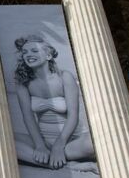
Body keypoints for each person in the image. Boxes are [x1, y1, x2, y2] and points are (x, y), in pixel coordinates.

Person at [12, 35, 96, 170]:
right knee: (0, 141)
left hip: (70, 140)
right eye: (25, 52)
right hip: (41, 139)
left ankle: (51, 159)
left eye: (34, 51)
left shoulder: (65, 77)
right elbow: (28, 117)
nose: (28, 55)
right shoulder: (22, 82)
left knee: (95, 143)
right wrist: (40, 145)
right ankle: (69, 165)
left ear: (48, 55)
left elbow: (73, 116)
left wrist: (59, 145)